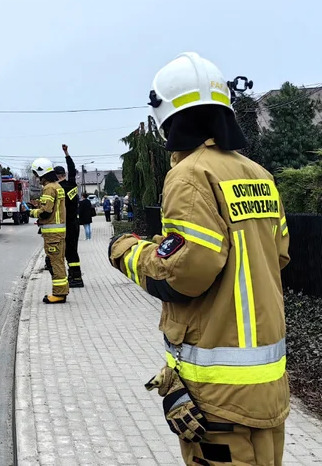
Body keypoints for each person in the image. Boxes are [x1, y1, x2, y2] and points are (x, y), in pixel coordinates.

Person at [107, 52, 289, 465]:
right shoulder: (257, 174)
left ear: (166, 116)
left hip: (218, 397)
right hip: (266, 387)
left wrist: (128, 252)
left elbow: (188, 273)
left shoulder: (191, 175)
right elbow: (278, 255)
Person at [29, 157, 68, 304]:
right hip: (58, 233)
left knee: (55, 262)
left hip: (53, 234)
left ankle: (59, 294)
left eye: (36, 174)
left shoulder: (49, 188)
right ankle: (62, 291)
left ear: (41, 172)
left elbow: (46, 211)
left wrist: (31, 212)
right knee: (58, 261)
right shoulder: (57, 186)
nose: (36, 177)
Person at [54, 144, 83, 288]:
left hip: (67, 223)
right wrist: (67, 154)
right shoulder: (72, 184)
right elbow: (72, 169)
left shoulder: (59, 189)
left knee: (69, 252)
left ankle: (76, 278)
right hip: (74, 222)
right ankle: (74, 275)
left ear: (57, 176)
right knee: (73, 250)